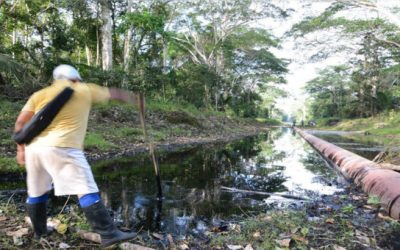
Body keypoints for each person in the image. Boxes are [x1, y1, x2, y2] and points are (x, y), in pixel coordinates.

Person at [14, 64, 139, 247]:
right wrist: (135, 99)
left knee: (36, 192)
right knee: (85, 187)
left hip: (34, 150)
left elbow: (20, 123)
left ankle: (40, 232)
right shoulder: (84, 89)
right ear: (76, 77)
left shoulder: (39, 94)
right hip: (63, 147)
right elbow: (114, 94)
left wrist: (21, 149)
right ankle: (109, 233)